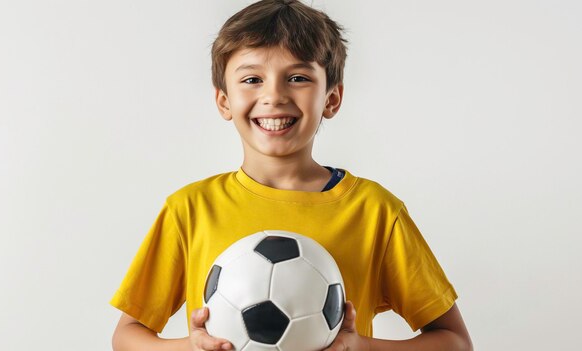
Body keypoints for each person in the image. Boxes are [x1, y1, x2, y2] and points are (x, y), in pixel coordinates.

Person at [110, 1, 473, 350]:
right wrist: (191, 347)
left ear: (331, 98)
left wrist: (361, 347)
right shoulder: (189, 209)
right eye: (252, 79)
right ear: (224, 101)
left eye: (297, 77)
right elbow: (127, 336)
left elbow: (454, 341)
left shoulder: (375, 211)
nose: (274, 96)